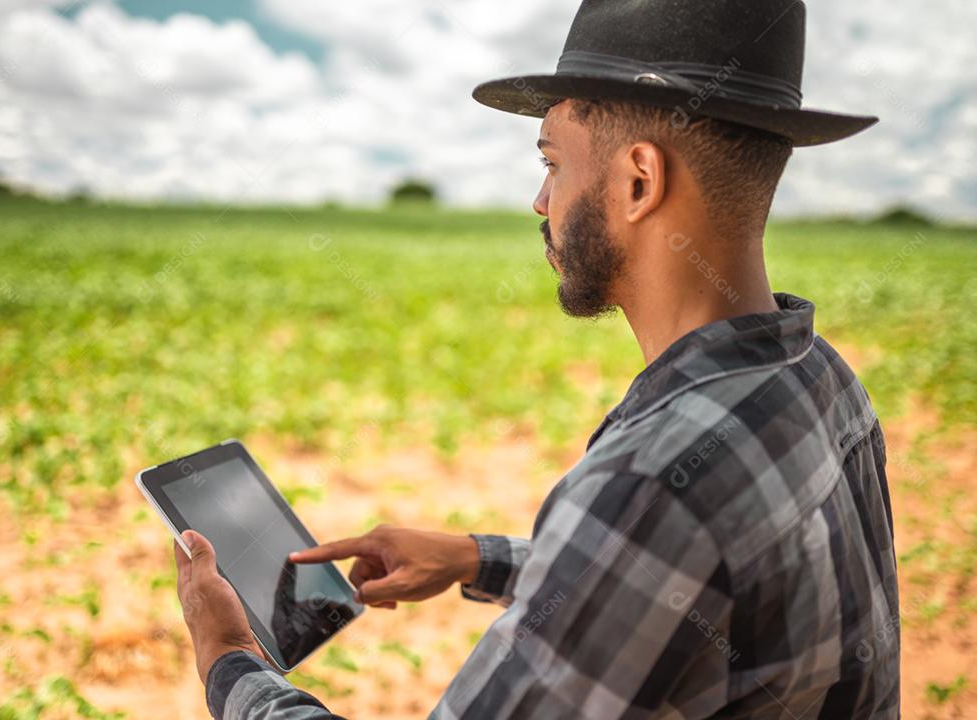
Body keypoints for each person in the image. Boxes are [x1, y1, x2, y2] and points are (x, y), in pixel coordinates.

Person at [173, 0, 900, 716]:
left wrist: (230, 659)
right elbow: (703, 582)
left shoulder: (653, 482)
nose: (540, 201)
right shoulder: (822, 379)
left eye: (553, 163)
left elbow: (657, 535)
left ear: (638, 182)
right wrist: (480, 559)